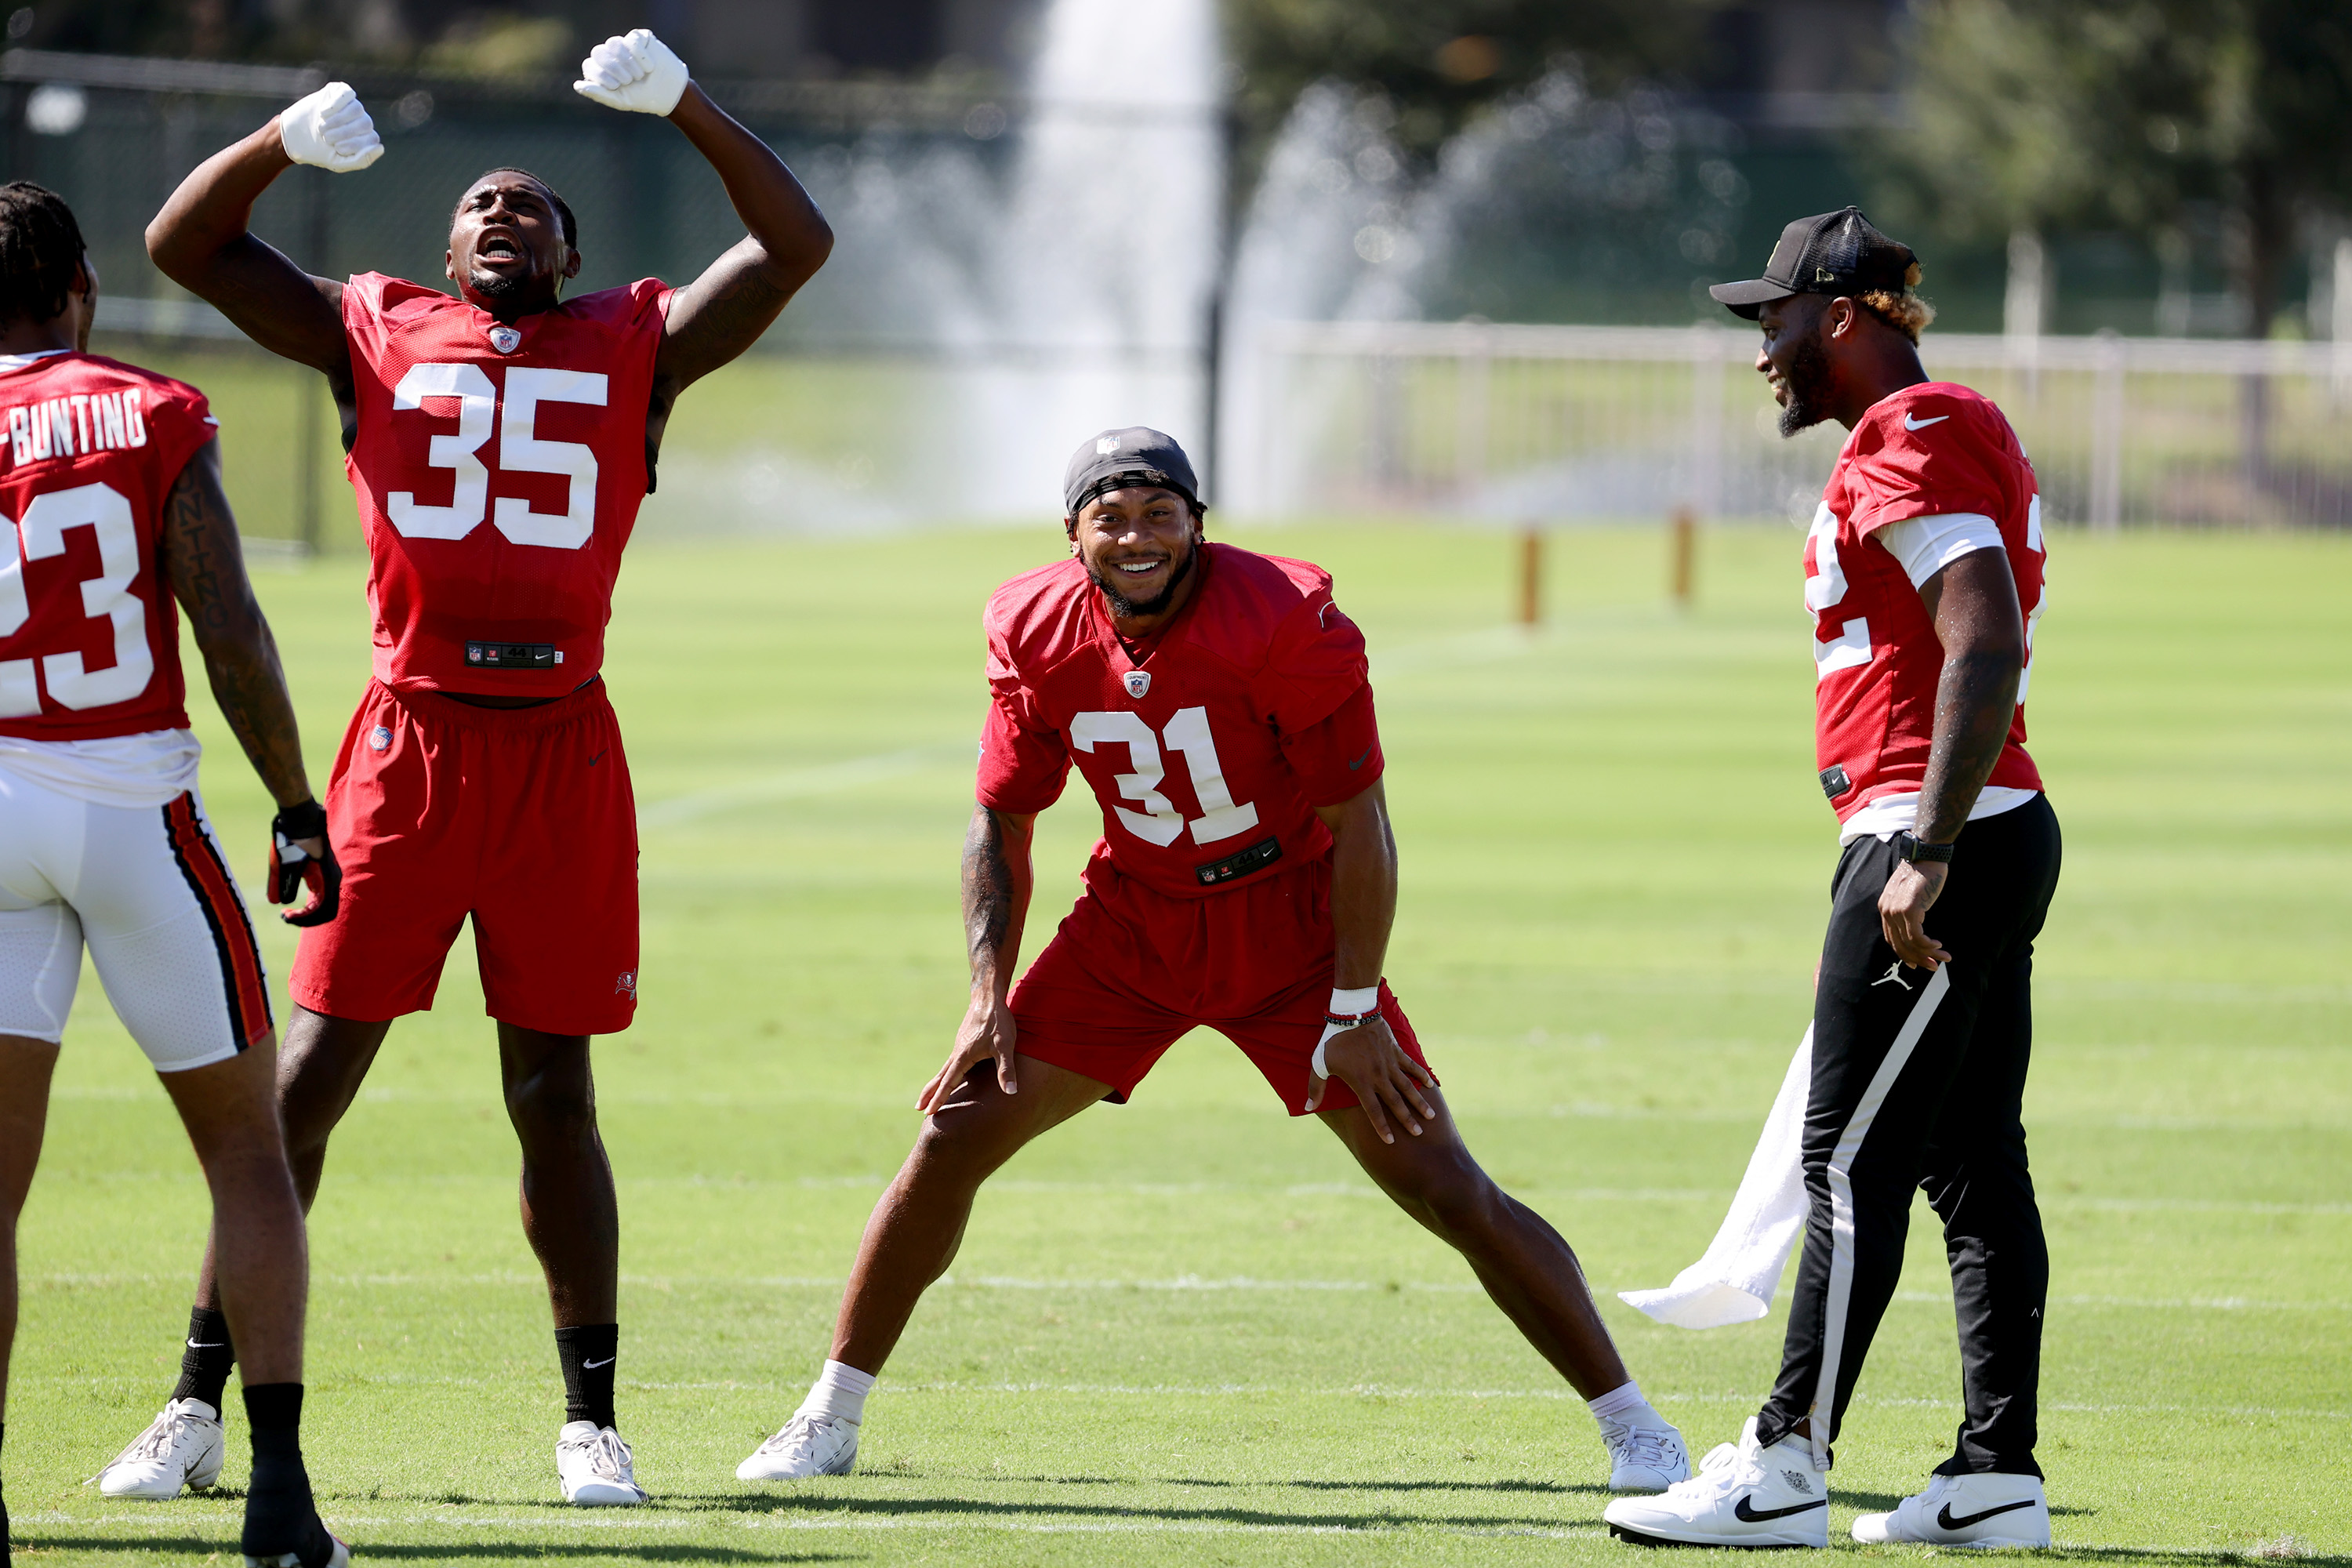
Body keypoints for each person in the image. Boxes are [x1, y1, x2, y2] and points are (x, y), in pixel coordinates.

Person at [101, 30, 833, 1509]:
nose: (503, 213)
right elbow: (185, 244)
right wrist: (278, 141)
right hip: (411, 741)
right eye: (480, 203)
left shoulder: (638, 341)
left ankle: (589, 1419)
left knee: (552, 1093)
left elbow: (793, 242)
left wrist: (688, 102)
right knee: (306, 1087)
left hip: (563, 749)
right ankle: (192, 1402)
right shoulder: (375, 328)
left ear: (571, 249)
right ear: (443, 244)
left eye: (534, 205)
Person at [734, 427, 1690, 1494]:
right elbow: (1001, 819)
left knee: (1443, 1185)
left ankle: (1635, 1425)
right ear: (1072, 533)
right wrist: (984, 996)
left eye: (1159, 514)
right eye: (1112, 517)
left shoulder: (1279, 614)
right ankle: (830, 1416)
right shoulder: (1033, 622)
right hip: (1133, 924)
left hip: (1289, 925)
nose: (1136, 537)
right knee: (952, 1138)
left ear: (1198, 521)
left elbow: (1359, 819)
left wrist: (1356, 1003)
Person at [1604, 208, 2060, 1550]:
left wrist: (1923, 844)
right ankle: (1996, 1475)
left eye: (1777, 320)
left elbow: (1986, 639)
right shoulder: (1920, 432)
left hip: (1938, 837)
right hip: (1972, 823)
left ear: (1843, 316)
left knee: (1843, 1164)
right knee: (1970, 1162)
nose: (1766, 352)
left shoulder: (1911, 433)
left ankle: (1785, 1464)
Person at [0, 183, 347, 1567]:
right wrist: (296, 802)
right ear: (80, 287)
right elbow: (229, 624)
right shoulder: (143, 408)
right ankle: (277, 1499)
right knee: (247, 1153)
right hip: (133, 805)